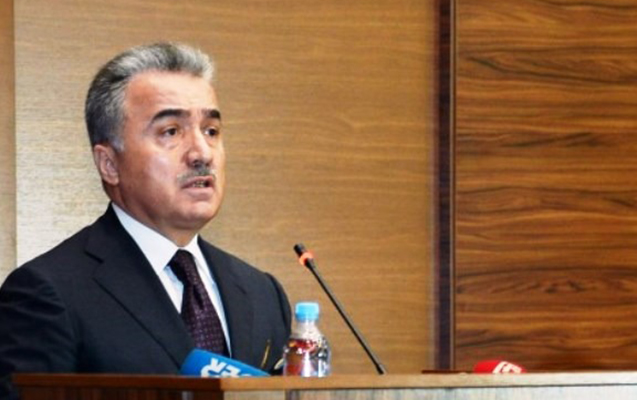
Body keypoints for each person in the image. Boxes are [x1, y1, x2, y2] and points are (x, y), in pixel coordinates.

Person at [0, 42, 291, 399]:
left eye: (211, 131)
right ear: (109, 164)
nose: (202, 153)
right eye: (171, 131)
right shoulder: (48, 293)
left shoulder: (261, 293)